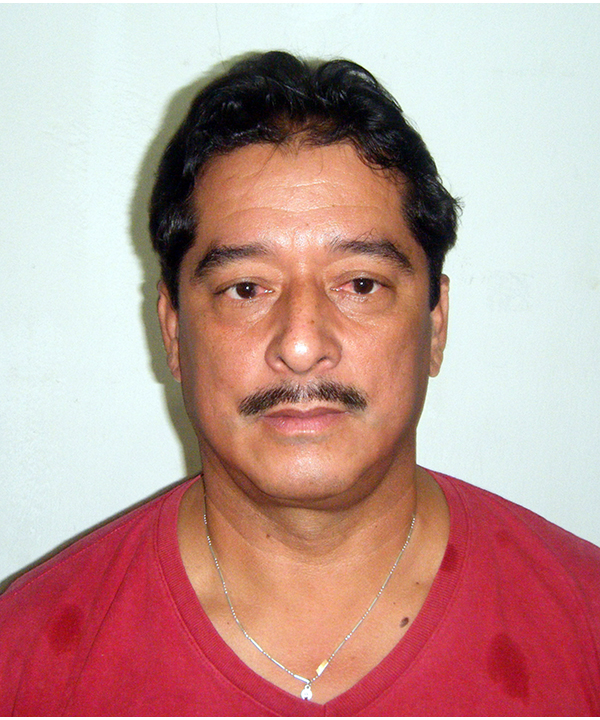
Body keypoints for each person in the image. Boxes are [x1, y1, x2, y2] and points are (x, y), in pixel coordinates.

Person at [1, 51, 598, 716]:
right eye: (246, 289)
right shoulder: (23, 663)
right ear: (173, 333)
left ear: (435, 324)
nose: (302, 344)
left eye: (361, 284)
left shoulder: (584, 624)